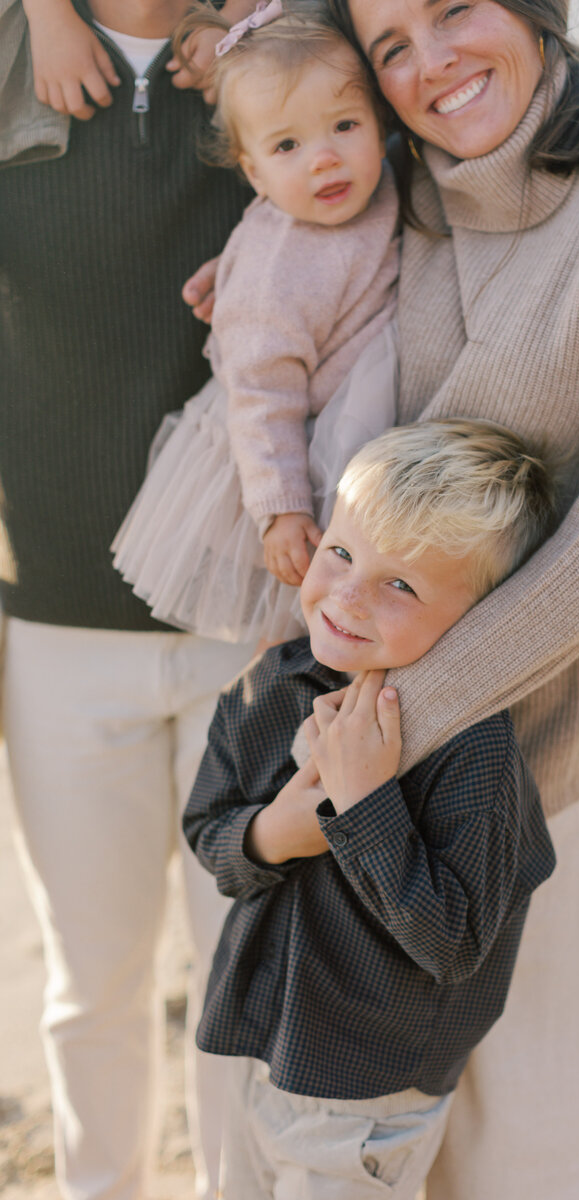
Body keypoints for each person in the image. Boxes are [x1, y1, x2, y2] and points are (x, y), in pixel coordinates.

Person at [177, 0, 579, 1195]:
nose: (428, 60)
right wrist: (248, 274)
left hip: (525, 771)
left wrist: (396, 726)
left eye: (453, 11)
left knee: (522, 1159)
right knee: (348, 1148)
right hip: (357, 767)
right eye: (390, 45)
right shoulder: (419, 197)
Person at [0, 1, 261, 1196]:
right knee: (88, 984)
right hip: (53, 621)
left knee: (239, 985)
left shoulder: (282, 45)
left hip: (244, 625)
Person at [184, 418, 559, 1199]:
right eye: (342, 554)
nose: (349, 597)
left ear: (476, 616)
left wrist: (364, 803)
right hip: (249, 1041)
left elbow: (454, 946)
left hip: (368, 1087)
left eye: (402, 585)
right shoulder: (268, 687)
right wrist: (271, 834)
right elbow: (206, 833)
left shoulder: (474, 750)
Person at [112, 0, 400, 645]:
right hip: (283, 454)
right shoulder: (276, 270)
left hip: (344, 423)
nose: (323, 159)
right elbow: (261, 394)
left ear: (381, 125)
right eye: (288, 145)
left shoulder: (382, 182)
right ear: (254, 173)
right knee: (300, 606)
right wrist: (281, 509)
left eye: (345, 125)